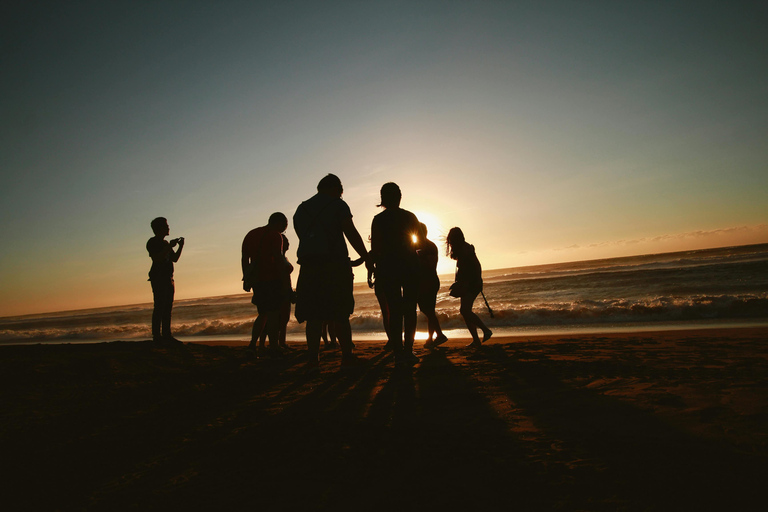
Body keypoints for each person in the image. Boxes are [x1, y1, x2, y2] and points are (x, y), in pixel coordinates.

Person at [293, 174, 371, 367]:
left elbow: (304, 237)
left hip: (309, 268)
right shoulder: (338, 205)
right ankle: (347, 356)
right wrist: (366, 256)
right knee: (340, 313)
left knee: (313, 316)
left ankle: (313, 359)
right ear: (337, 188)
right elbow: (350, 231)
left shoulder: (301, 210)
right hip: (335, 267)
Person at [369, 183, 421, 364]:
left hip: (387, 268)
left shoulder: (378, 220)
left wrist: (371, 269)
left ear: (383, 198)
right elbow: (418, 243)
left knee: (394, 310)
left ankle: (398, 351)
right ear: (399, 196)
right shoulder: (410, 217)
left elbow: (375, 249)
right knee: (410, 309)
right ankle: (408, 349)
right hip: (409, 266)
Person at [242, 212, 291, 355]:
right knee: (274, 313)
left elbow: (245, 258)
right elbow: (278, 257)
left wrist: (246, 277)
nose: (284, 230)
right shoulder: (275, 235)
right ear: (280, 223)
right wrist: (285, 281)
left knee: (263, 313)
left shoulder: (251, 234)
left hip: (257, 279)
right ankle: (274, 346)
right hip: (272, 278)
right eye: (284, 226)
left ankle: (252, 344)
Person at [446, 227, 492, 348]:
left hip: (471, 284)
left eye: (451, 240)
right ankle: (476, 340)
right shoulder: (464, 248)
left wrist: (476, 281)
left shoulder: (465, 249)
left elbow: (476, 266)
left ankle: (485, 330)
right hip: (468, 283)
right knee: (465, 311)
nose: (449, 243)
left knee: (465, 311)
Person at [146, 217, 184, 344]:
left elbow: (174, 259)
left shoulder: (166, 244)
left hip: (168, 278)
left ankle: (166, 335)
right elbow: (157, 258)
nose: (168, 228)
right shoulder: (152, 242)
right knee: (159, 307)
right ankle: (157, 336)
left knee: (167, 307)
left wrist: (180, 246)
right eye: (166, 226)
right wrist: (169, 247)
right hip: (159, 278)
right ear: (159, 228)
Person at [417, 223, 448, 349]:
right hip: (425, 281)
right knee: (429, 310)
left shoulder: (428, 246)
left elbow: (430, 265)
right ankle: (430, 338)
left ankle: (439, 334)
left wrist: (419, 258)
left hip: (428, 281)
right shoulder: (419, 245)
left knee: (427, 309)